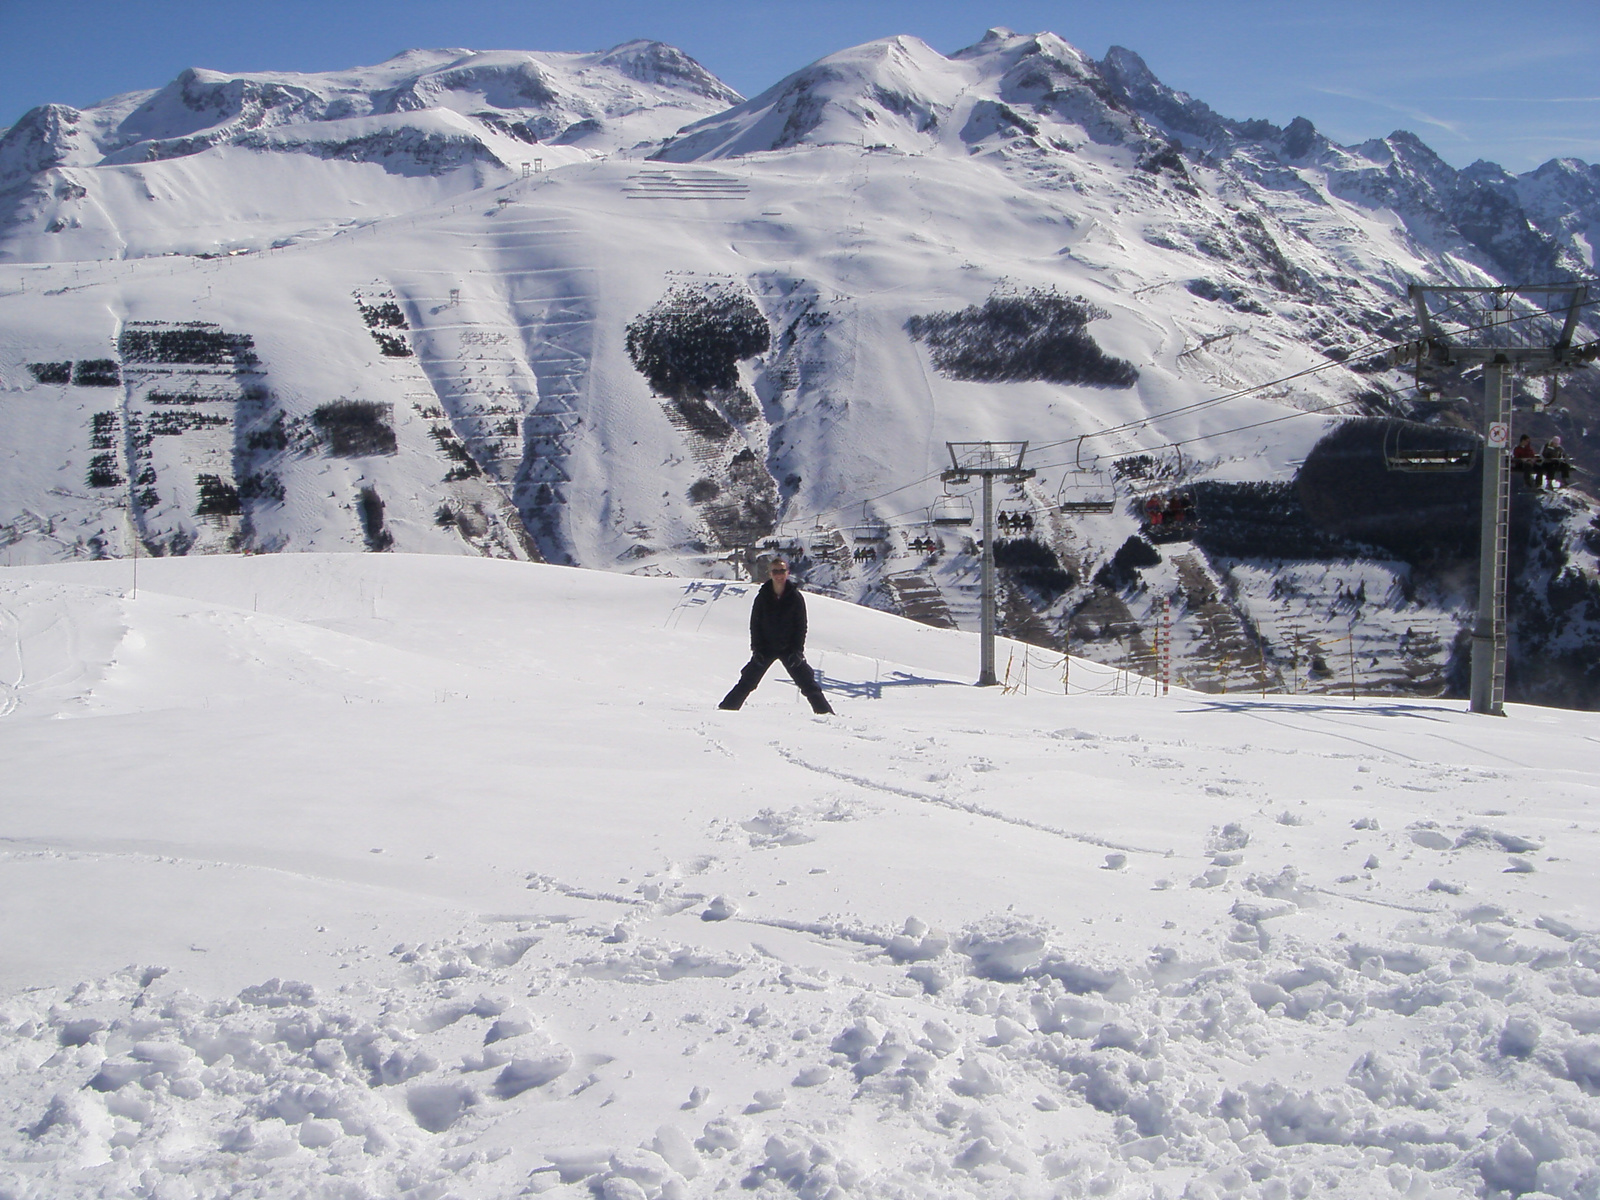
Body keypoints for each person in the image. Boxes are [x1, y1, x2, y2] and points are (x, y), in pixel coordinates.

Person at [718, 557, 834, 714]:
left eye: (782, 571)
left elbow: (801, 626)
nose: (779, 575)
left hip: (789, 649)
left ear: (788, 572)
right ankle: (724, 712)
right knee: (747, 682)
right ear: (770, 574)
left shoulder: (795, 597)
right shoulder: (762, 596)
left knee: (808, 684)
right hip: (765, 648)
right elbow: (755, 624)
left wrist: (797, 651)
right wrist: (757, 649)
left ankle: (826, 715)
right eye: (775, 571)